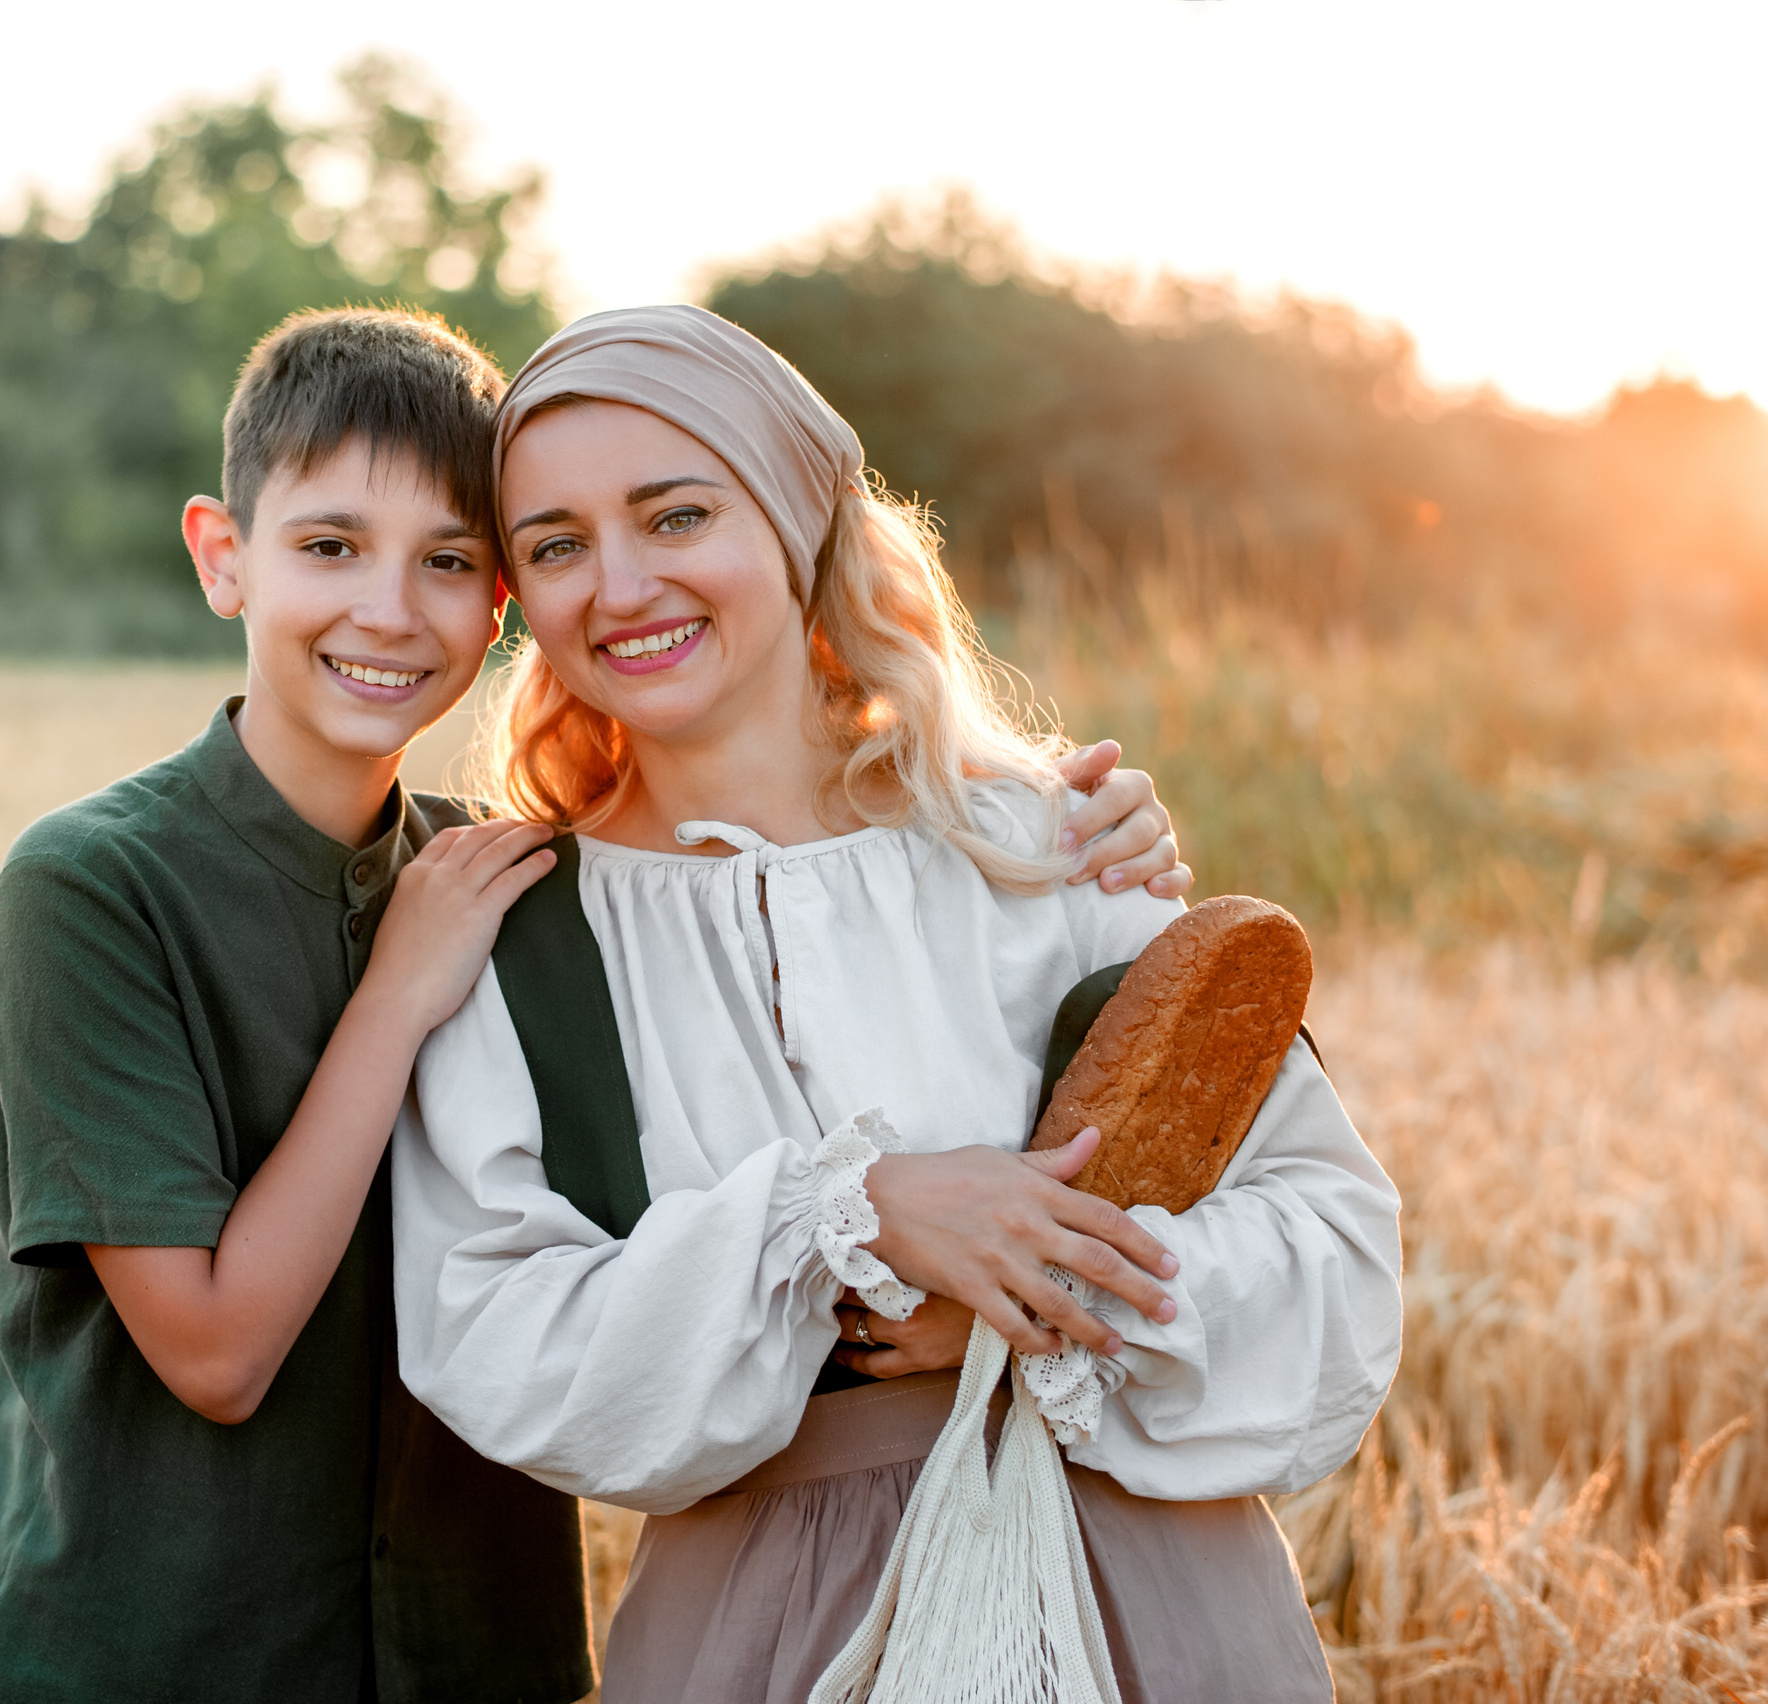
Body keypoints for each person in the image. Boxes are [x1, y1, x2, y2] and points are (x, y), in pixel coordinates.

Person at [0, 306, 1191, 1703]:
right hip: (151, 1664)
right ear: (225, 559)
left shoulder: (528, 882)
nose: (390, 610)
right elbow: (217, 1355)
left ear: (502, 607)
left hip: (474, 1665)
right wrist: (395, 997)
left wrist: (1081, 836)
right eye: (330, 547)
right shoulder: (97, 887)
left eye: (452, 562)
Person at [391, 305, 1404, 1703]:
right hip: (768, 1631)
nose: (618, 585)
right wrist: (850, 1219)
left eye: (676, 516)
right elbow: (492, 1334)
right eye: (557, 545)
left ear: (802, 517)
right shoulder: (521, 935)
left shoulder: (1053, 850)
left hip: (1151, 1613)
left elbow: (1329, 1244)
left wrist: (1025, 1307)